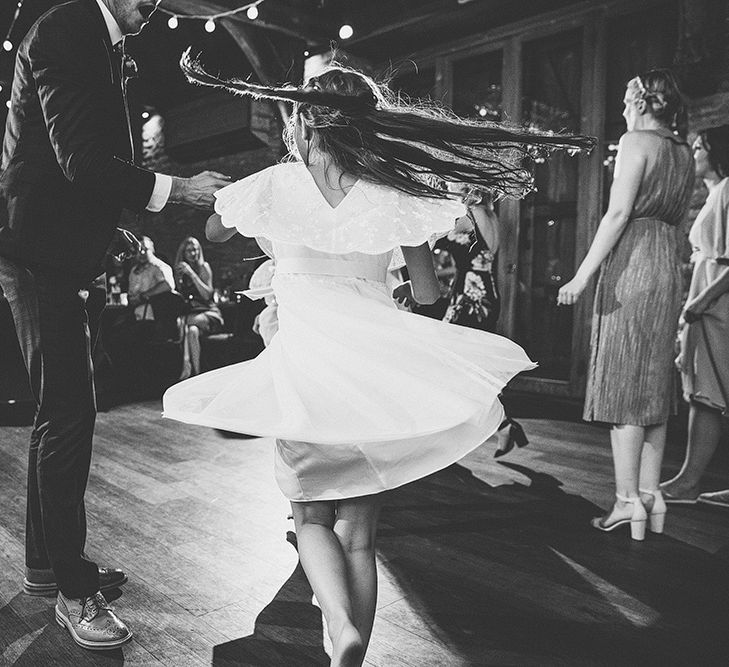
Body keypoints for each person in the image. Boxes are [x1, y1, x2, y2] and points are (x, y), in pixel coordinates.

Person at [166, 56, 592, 666]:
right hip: (370, 374)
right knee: (359, 538)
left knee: (309, 515)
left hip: (305, 369)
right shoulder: (392, 198)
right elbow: (425, 293)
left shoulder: (272, 185)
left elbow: (213, 232)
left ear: (303, 124)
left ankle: (339, 625)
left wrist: (246, 203)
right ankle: (352, 649)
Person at [0, 0, 230, 650]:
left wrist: (112, 226)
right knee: (68, 412)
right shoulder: (69, 30)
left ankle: (49, 568)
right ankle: (74, 591)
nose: (154, 3)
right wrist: (177, 190)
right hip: (36, 250)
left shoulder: (93, 40)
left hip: (50, 245)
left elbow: (62, 158)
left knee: (63, 410)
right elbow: (79, 159)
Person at [557, 70, 695, 540]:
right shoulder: (682, 150)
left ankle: (624, 501)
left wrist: (582, 275)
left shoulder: (636, 140)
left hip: (633, 265)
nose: (621, 108)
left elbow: (618, 213)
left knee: (622, 387)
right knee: (653, 390)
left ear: (639, 101)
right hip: (666, 270)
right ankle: (651, 497)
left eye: (623, 99)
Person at [660, 126, 729, 508]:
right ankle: (688, 479)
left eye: (700, 146)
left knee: (716, 390)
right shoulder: (715, 194)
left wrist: (701, 302)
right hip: (709, 304)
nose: (694, 153)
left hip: (719, 305)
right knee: (706, 394)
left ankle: (689, 480)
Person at [440, 189, 528, 457]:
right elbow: (469, 258)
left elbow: (435, 239)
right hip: (485, 292)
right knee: (468, 365)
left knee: (450, 362)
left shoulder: (466, 217)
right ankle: (502, 425)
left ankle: (498, 424)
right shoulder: (491, 215)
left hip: (469, 297)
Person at [174, 236, 224, 379]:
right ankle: (196, 373)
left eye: (195, 250)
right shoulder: (180, 271)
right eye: (189, 251)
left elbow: (207, 295)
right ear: (184, 253)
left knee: (182, 322)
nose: (193, 253)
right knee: (192, 331)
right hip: (194, 316)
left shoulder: (204, 267)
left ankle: (185, 368)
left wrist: (192, 274)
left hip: (210, 314)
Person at [128, 235, 175, 320]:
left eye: (145, 249)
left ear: (152, 250)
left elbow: (168, 284)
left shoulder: (160, 267)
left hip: (153, 314)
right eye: (139, 250)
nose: (142, 253)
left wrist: (144, 296)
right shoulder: (133, 270)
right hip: (133, 311)